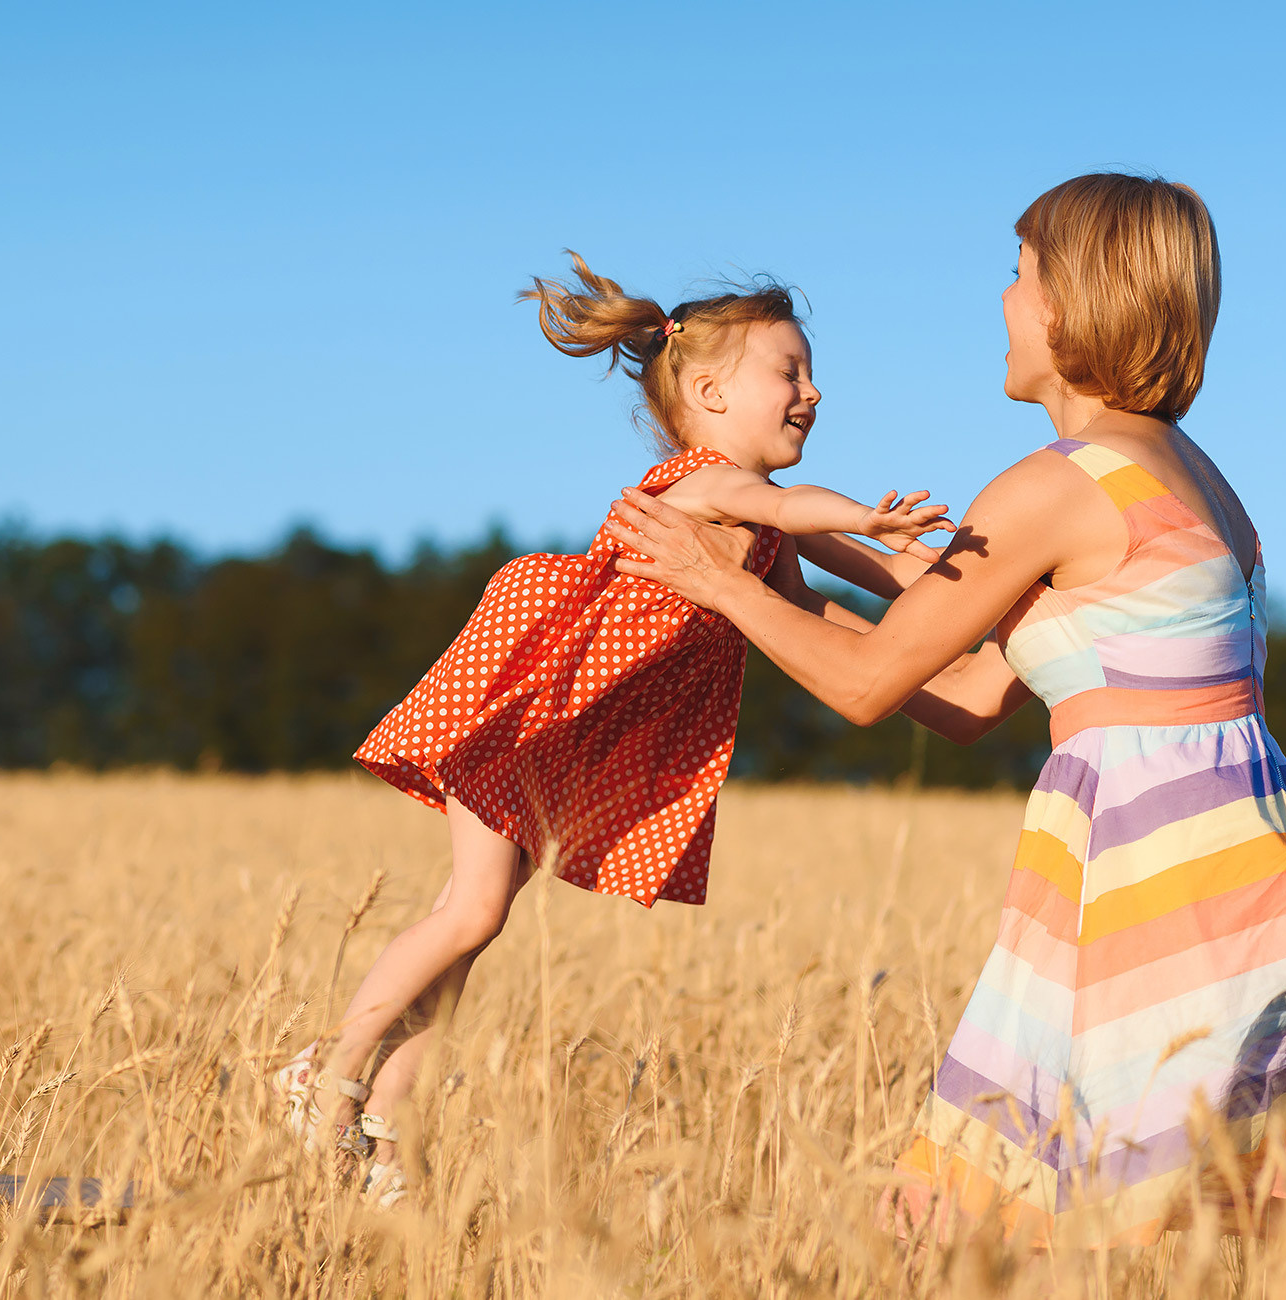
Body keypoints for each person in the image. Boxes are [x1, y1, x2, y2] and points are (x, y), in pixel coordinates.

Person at [607, 174, 1286, 1247]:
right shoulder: (1187, 474)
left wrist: (719, 581)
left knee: (1036, 1233)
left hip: (1176, 907)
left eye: (1018, 277)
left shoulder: (1058, 485)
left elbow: (870, 686)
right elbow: (964, 694)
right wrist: (786, 587)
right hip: (1223, 892)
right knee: (1158, 1244)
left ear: (1071, 305)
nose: (1003, 302)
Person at [277, 254, 952, 1205]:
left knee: (473, 925)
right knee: (468, 914)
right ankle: (328, 1070)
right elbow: (794, 509)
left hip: (573, 731)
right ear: (710, 390)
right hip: (531, 712)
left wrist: (920, 639)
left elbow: (805, 606)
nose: (813, 390)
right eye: (790, 371)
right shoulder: (710, 482)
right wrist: (872, 520)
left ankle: (387, 1130)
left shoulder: (755, 529)